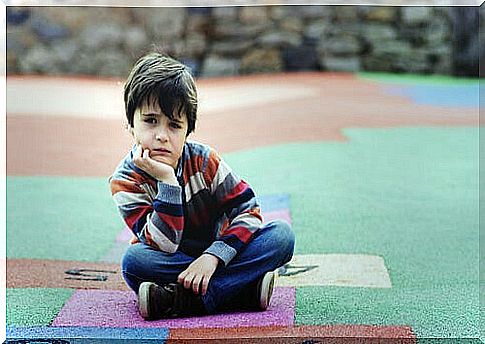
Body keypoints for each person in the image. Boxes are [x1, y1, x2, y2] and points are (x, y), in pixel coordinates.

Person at [109, 52, 295, 320]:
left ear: (188, 131)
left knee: (281, 237)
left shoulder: (205, 161)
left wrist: (212, 258)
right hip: (172, 261)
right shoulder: (126, 181)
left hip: (221, 252)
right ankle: (242, 291)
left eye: (174, 125)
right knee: (135, 263)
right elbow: (163, 245)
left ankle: (181, 300)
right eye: (150, 121)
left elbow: (248, 210)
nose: (161, 135)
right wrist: (168, 183)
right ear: (130, 124)